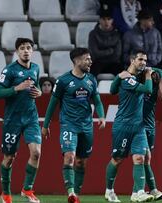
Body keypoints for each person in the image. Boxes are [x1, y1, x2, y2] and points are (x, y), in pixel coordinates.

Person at [41, 48, 106, 203]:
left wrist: (102, 116)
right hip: (69, 125)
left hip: (86, 126)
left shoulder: (91, 80)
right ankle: (71, 193)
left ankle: (76, 193)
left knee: (81, 163)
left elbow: (96, 100)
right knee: (70, 157)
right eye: (87, 59)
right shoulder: (63, 81)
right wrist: (46, 124)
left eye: (90, 59)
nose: (90, 62)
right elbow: (53, 103)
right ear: (76, 61)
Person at [110, 68, 162, 201]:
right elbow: (114, 90)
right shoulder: (137, 83)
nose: (154, 77)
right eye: (152, 75)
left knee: (145, 159)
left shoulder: (157, 85)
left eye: (157, 77)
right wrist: (120, 77)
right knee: (140, 157)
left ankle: (139, 192)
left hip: (149, 126)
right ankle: (148, 190)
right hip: (136, 125)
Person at [0, 38, 42, 203]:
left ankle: (27, 189)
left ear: (32, 51)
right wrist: (16, 88)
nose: (26, 51)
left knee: (36, 153)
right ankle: (6, 193)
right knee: (9, 158)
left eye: (29, 48)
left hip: (31, 118)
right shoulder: (9, 71)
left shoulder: (36, 68)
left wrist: (39, 93)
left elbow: (36, 88)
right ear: (17, 52)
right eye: (22, 48)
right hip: (12, 120)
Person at [104, 50, 154, 202]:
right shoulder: (128, 79)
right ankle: (109, 190)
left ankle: (139, 192)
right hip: (123, 126)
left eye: (145, 60)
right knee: (117, 160)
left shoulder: (131, 77)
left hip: (138, 127)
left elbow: (113, 90)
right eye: (140, 59)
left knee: (140, 158)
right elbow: (147, 89)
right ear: (132, 60)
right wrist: (120, 77)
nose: (144, 63)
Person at [123, 9, 162, 85]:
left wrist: (156, 60)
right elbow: (124, 55)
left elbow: (160, 50)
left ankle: (156, 92)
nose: (153, 22)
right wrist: (136, 62)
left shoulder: (156, 33)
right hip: (136, 68)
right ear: (142, 21)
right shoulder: (129, 35)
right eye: (150, 20)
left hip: (152, 66)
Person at [88, 9, 123, 78]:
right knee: (90, 73)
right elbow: (94, 53)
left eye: (109, 19)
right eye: (104, 19)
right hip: (97, 63)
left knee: (123, 73)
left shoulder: (117, 34)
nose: (106, 22)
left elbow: (117, 55)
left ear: (112, 20)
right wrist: (110, 51)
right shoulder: (93, 34)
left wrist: (101, 53)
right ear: (99, 20)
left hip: (113, 63)